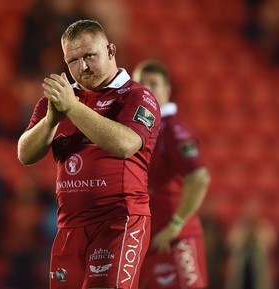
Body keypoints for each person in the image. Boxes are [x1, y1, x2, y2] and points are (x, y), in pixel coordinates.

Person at [17, 19, 161, 289]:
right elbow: (25, 154)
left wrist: (72, 108)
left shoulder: (137, 96)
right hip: (70, 229)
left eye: (89, 56)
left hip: (118, 223)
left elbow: (125, 144)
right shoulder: (58, 102)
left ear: (110, 51)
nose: (81, 67)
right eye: (72, 60)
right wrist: (50, 121)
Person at [132, 60, 210, 289]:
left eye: (153, 84)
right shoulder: (142, 129)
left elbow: (199, 177)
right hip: (150, 239)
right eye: (140, 84)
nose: (146, 89)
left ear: (167, 91)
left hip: (175, 238)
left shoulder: (173, 129)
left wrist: (176, 225)